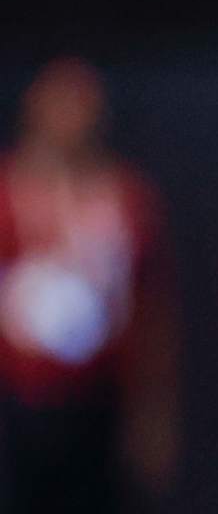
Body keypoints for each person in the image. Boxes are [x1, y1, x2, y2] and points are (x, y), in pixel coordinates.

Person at [0, 57, 179, 514]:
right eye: (60, 106)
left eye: (82, 108)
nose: (72, 121)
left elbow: (150, 306)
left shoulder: (125, 195)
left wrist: (153, 410)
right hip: (19, 400)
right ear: (34, 110)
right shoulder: (8, 191)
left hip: (100, 398)